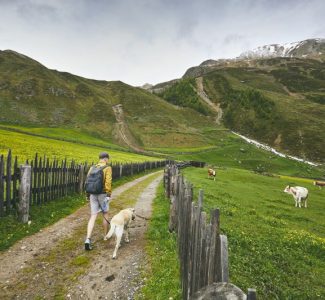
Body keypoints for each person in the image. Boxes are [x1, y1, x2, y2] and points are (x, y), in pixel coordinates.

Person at [84, 152, 112, 250]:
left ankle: (88, 239)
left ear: (99, 158)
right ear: (106, 159)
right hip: (103, 194)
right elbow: (108, 182)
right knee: (105, 213)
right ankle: (105, 235)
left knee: (93, 216)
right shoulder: (107, 168)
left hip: (92, 194)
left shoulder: (92, 168)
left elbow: (87, 181)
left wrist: (87, 194)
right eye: (108, 159)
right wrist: (108, 194)